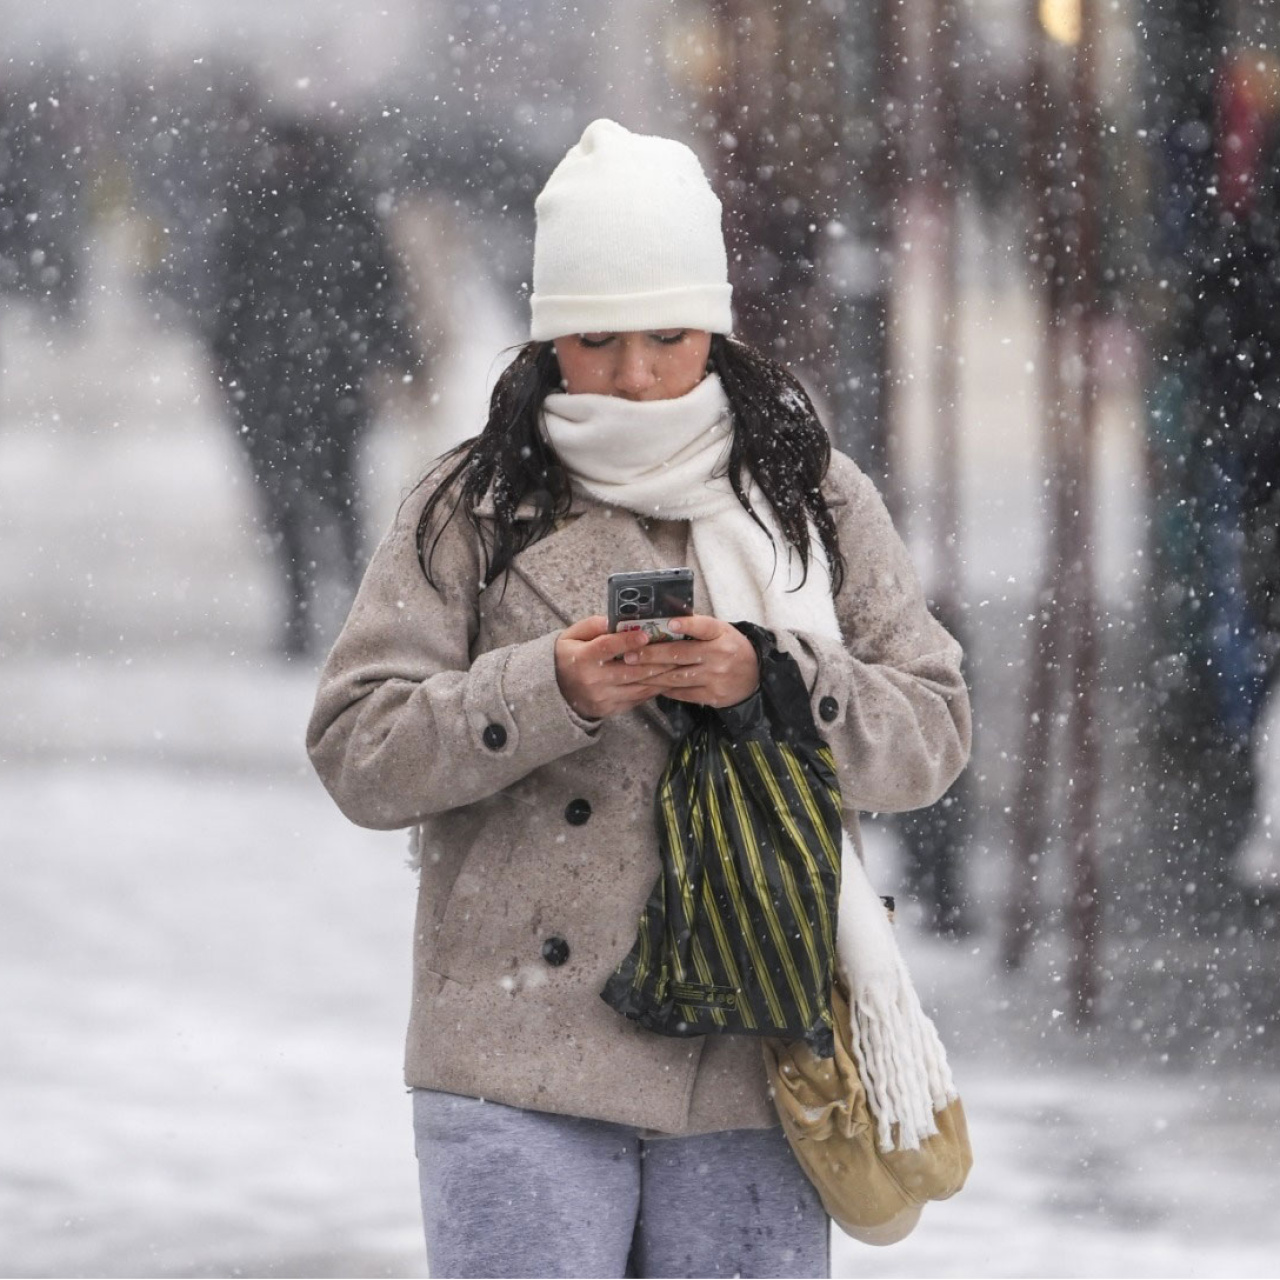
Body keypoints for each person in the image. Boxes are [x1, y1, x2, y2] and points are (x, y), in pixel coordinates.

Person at [307, 119, 971, 1279]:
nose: (631, 374)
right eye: (595, 338)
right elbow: (359, 746)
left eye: (667, 336)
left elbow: (929, 733)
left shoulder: (806, 495)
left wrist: (772, 675)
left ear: (712, 326)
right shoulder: (469, 504)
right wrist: (542, 687)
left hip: (757, 1049)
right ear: (547, 337)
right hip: (515, 1055)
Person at [211, 116, 421, 657]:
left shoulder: (338, 206)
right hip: (274, 384)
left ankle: (349, 604)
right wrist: (226, 360)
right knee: (285, 502)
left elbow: (379, 286)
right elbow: (225, 296)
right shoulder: (258, 208)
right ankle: (301, 606)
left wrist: (397, 351)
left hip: (328, 382)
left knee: (338, 494)